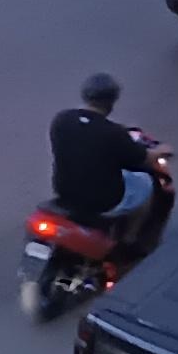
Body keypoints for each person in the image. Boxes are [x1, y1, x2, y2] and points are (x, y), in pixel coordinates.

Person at [49, 72, 151, 236]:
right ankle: (129, 242)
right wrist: (159, 151)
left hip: (63, 190)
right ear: (112, 101)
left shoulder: (62, 119)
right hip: (103, 201)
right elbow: (142, 159)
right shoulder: (114, 133)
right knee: (145, 184)